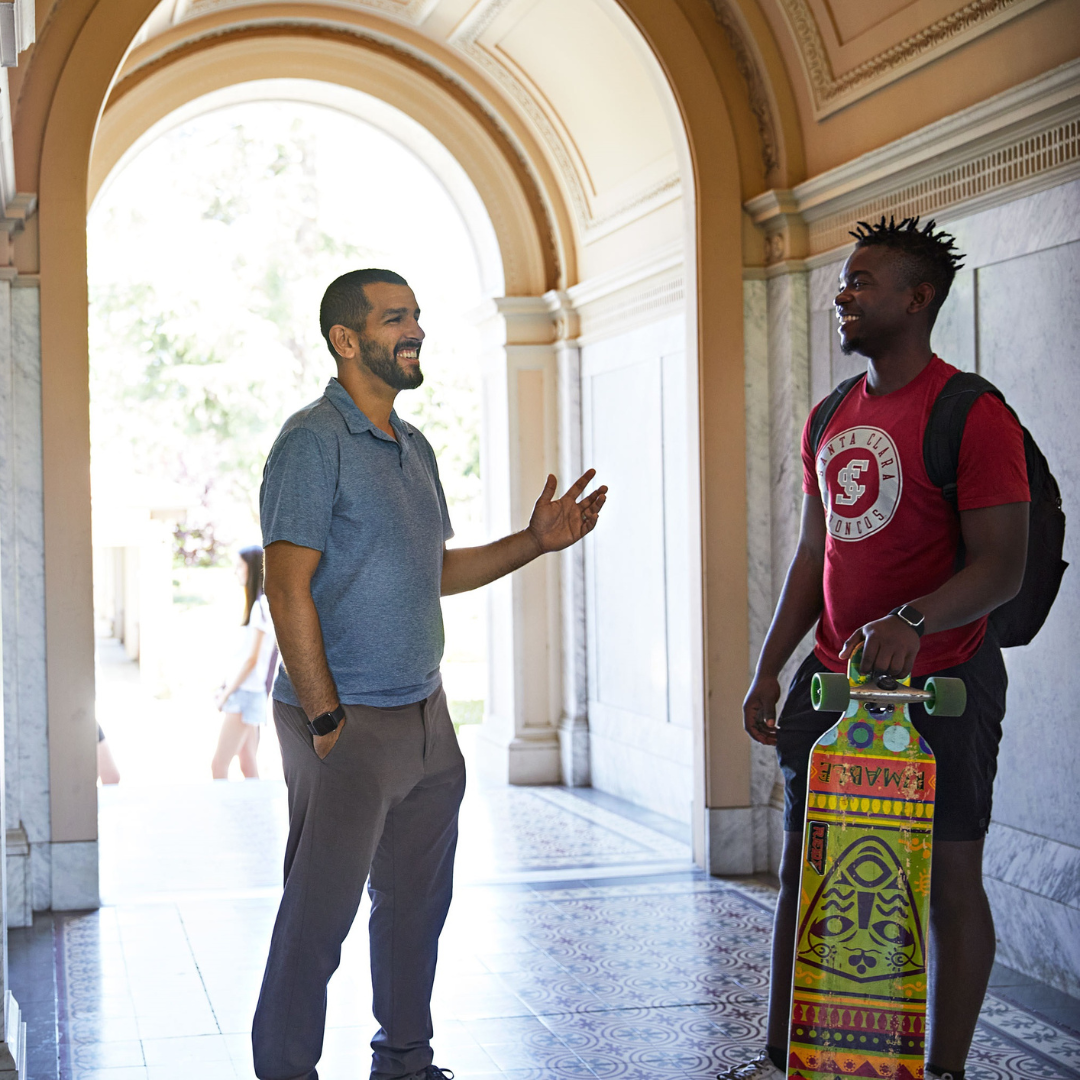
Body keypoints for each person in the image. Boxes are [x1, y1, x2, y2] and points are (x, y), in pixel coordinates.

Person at [251, 268, 607, 1080]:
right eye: (394, 319)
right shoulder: (311, 442)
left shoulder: (412, 446)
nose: (414, 330)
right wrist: (325, 718)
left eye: (416, 315)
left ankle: (406, 1064)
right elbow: (286, 584)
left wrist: (535, 541)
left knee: (415, 912)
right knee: (318, 919)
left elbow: (431, 569)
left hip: (426, 715)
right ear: (347, 340)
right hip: (344, 721)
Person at [720, 218, 1030, 1080]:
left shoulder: (971, 412)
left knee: (947, 878)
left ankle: (945, 1069)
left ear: (916, 298)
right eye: (843, 281)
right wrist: (770, 665)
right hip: (832, 688)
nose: (842, 295)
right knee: (806, 868)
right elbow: (816, 554)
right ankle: (786, 1054)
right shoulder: (831, 415)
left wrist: (915, 621)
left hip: (942, 688)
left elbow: (1001, 567)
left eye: (861, 281)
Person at [211, 545, 277, 780]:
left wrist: (226, 694)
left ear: (253, 569)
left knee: (218, 765)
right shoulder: (260, 606)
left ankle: (227, 816)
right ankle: (254, 815)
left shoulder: (261, 607)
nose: (236, 571)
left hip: (245, 694)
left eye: (240, 566)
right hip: (249, 692)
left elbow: (251, 660)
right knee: (248, 764)